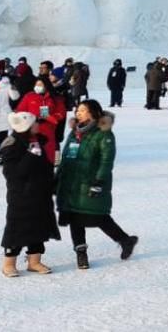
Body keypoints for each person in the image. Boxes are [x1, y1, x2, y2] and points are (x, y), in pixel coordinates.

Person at [56, 99, 138, 269]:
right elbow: (66, 158)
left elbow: (106, 161)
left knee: (98, 216)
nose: (78, 113)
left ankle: (125, 240)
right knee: (74, 218)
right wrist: (58, 179)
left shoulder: (104, 134)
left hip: (90, 181)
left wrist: (99, 181)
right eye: (77, 110)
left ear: (93, 112)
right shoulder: (75, 132)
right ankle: (81, 253)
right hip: (72, 183)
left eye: (83, 110)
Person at [0, 112, 60, 277]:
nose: (38, 125)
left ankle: (34, 261)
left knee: (39, 226)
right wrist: (31, 155)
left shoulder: (37, 141)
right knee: (16, 228)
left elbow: (45, 166)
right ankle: (9, 263)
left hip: (40, 192)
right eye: (35, 123)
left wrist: (52, 183)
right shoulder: (12, 145)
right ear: (27, 127)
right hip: (21, 195)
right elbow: (14, 173)